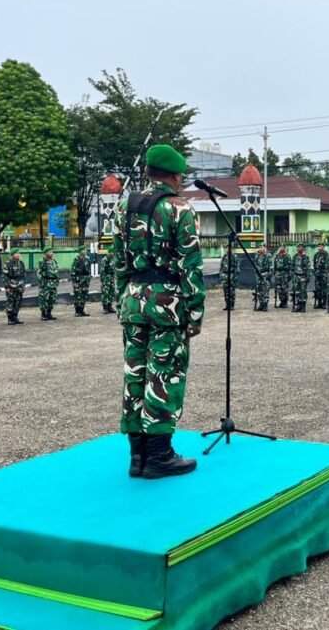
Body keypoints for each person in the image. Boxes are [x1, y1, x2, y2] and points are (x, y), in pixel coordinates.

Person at [112, 143, 205, 479]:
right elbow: (190, 265)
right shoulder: (179, 208)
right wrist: (195, 312)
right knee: (163, 374)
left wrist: (127, 295)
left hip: (134, 299)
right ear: (175, 175)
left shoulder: (125, 205)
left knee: (134, 373)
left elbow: (118, 260)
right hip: (168, 302)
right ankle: (160, 456)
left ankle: (137, 457)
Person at [2, 250, 26, 325]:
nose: (18, 255)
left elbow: (24, 274)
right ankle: (10, 318)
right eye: (16, 253)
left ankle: (15, 316)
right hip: (11, 286)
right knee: (10, 302)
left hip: (19, 286)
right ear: (12, 255)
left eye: (19, 253)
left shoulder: (21, 263)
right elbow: (4, 276)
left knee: (18, 302)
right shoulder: (7, 264)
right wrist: (7, 286)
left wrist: (23, 284)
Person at [37, 249, 60, 321]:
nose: (51, 253)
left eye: (52, 252)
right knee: (44, 298)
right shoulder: (42, 261)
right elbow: (39, 273)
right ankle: (43, 314)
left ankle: (49, 313)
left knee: (52, 298)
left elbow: (56, 272)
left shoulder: (54, 261)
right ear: (45, 253)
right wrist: (42, 282)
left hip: (53, 282)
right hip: (46, 282)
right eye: (50, 252)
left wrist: (57, 281)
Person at [71, 248, 92, 317]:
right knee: (78, 295)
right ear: (80, 252)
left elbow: (89, 269)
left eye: (85, 250)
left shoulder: (88, 259)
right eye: (83, 250)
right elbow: (73, 270)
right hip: (79, 279)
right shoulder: (76, 259)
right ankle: (77, 311)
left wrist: (88, 278)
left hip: (85, 279)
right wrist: (75, 280)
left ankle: (82, 310)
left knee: (84, 295)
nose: (85, 251)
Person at [291, 243, 310, 312]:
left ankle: (303, 306)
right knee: (297, 292)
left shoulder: (306, 257)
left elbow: (308, 268)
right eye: (298, 247)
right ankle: (298, 305)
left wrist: (307, 277)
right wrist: (292, 274)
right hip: (296, 276)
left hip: (303, 276)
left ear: (303, 248)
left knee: (303, 292)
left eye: (301, 247)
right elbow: (292, 266)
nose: (299, 248)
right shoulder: (295, 256)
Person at [252, 245, 272, 311]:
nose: (261, 248)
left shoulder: (268, 255)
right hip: (258, 275)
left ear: (265, 248)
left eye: (262, 247)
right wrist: (256, 274)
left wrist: (266, 275)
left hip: (265, 275)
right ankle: (261, 304)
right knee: (259, 291)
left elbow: (270, 268)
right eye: (260, 247)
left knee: (265, 291)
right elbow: (255, 265)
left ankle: (265, 305)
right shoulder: (257, 255)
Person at [312, 243, 329, 309]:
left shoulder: (326, 254)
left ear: (323, 247)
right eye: (318, 246)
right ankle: (319, 303)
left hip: (324, 274)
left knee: (324, 289)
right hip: (317, 274)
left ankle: (324, 303)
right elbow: (314, 264)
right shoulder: (316, 255)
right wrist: (315, 272)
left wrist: (326, 273)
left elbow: (327, 265)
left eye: (321, 246)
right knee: (318, 289)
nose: (319, 247)